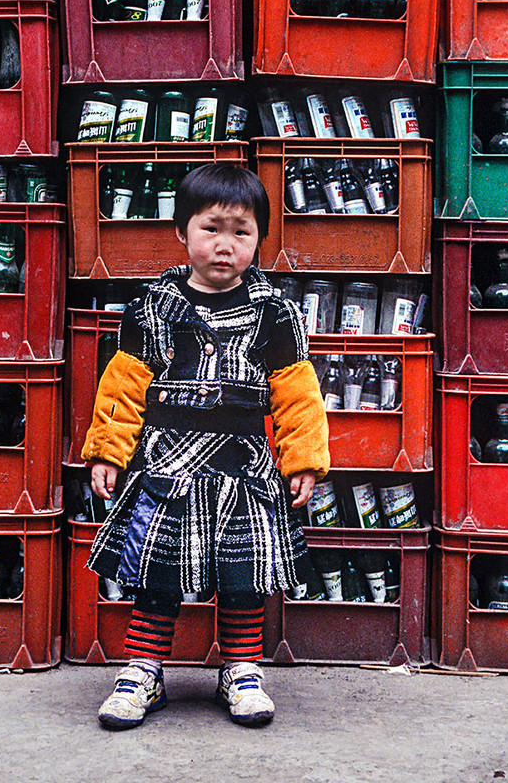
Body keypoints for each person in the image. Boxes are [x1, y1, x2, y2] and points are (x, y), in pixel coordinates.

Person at [82, 163, 330, 730]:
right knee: (154, 573)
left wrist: (304, 459)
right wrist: (108, 450)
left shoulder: (276, 311)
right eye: (211, 229)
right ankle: (142, 673)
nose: (225, 245)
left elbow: (297, 391)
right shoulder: (153, 307)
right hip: (167, 464)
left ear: (260, 239)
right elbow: (123, 382)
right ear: (182, 232)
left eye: (242, 232)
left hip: (245, 466)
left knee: (244, 579)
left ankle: (242, 673)